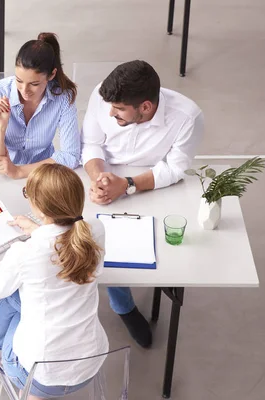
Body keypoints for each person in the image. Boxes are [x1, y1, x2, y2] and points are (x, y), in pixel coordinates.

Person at [0, 164, 108, 399]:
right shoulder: (96, 230)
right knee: (25, 294)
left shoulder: (25, 253)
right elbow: (60, 247)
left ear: (40, 209)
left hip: (39, 374)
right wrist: (38, 230)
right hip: (90, 364)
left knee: (11, 294)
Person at [81, 60, 204, 348]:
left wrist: (128, 185)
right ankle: (121, 304)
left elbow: (175, 169)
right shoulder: (104, 95)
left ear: (146, 107)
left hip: (152, 184)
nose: (110, 114)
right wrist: (100, 178)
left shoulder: (188, 117)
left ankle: (122, 304)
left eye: (120, 110)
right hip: (100, 174)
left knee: (148, 251)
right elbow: (91, 143)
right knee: (84, 239)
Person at [0, 33, 80, 179]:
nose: (24, 90)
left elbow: (70, 155)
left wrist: (19, 172)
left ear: (51, 75)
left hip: (41, 174)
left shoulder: (63, 97)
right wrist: (1, 127)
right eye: (19, 80)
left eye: (34, 84)